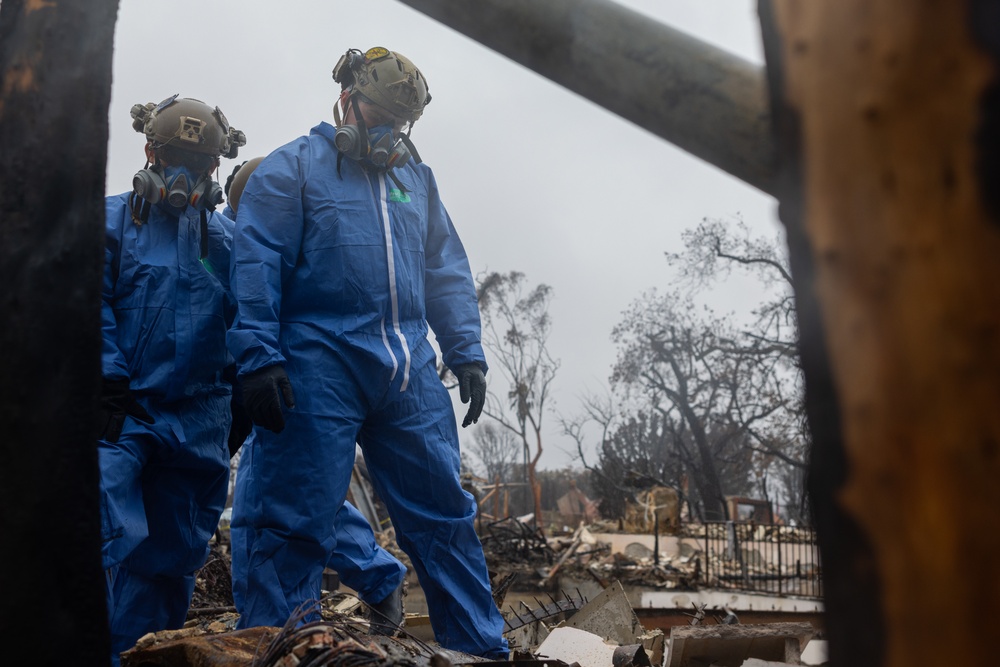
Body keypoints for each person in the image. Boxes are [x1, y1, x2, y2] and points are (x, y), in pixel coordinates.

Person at [227, 47, 508, 658]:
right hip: (317, 363)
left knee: (444, 519)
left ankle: (480, 652)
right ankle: (289, 647)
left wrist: (466, 351)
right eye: (377, 117)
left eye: (399, 126)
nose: (387, 135)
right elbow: (255, 266)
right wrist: (258, 357)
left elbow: (445, 269)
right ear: (347, 99)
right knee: (294, 517)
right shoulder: (292, 168)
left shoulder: (417, 179)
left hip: (408, 370)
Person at [223, 158, 407, 635]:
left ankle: (275, 632)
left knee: (280, 507)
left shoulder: (293, 238)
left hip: (287, 383)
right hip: (251, 385)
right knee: (282, 502)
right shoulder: (227, 239)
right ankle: (371, 580)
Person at [98, 95, 245, 664]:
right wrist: (105, 382)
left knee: (170, 562)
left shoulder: (229, 245)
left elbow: (248, 325)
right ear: (149, 152)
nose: (185, 173)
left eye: (200, 160)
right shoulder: (109, 222)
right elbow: (88, 303)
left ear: (214, 168)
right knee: (96, 537)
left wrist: (237, 408)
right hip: (121, 413)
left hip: (198, 425)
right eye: (174, 155)